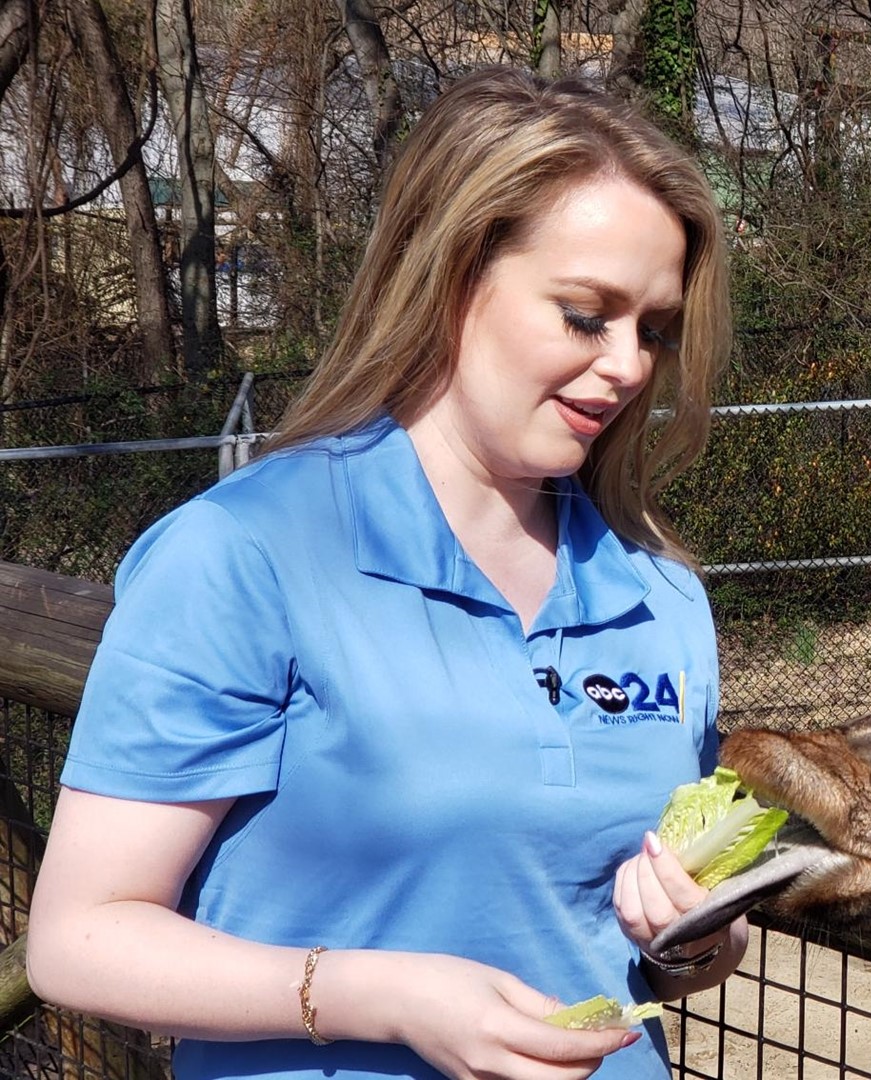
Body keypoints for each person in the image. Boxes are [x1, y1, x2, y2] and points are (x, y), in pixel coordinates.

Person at [25, 67, 747, 1080]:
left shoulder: (661, 599)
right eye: (588, 314)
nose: (629, 365)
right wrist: (382, 996)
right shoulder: (245, 556)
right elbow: (78, 938)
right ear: (453, 278)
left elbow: (654, 937)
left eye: (655, 330)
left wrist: (697, 942)